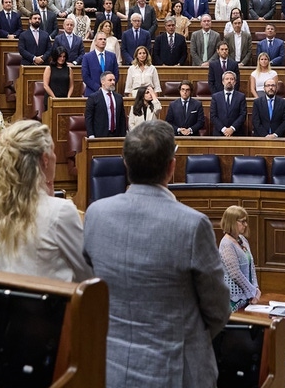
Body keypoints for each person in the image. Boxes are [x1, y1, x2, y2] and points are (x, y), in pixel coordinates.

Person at [83, 121, 228, 388]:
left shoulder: (95, 214)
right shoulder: (193, 224)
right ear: (172, 167)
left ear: (126, 164)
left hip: (111, 368)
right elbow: (219, 309)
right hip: (177, 372)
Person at [0, 120, 92, 281]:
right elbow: (87, 274)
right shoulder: (61, 210)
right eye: (54, 151)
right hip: (55, 303)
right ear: (45, 159)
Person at [219, 205, 260, 313]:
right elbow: (235, 274)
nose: (245, 225)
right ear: (232, 222)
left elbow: (252, 266)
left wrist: (255, 288)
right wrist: (252, 291)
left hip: (247, 296)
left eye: (246, 221)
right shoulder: (226, 244)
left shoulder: (242, 239)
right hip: (233, 300)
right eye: (242, 221)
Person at [84, 72, 126, 139]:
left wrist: (123, 135)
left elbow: (122, 118)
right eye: (110, 80)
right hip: (99, 135)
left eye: (114, 80)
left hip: (117, 135)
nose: (113, 82)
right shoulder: (93, 97)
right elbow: (89, 117)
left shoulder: (118, 97)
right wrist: (91, 134)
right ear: (102, 82)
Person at [210, 71, 247, 137]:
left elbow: (242, 115)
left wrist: (232, 129)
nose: (229, 81)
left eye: (231, 79)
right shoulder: (215, 97)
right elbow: (213, 116)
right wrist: (224, 129)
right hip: (219, 133)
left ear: (235, 82)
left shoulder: (241, 96)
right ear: (223, 82)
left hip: (236, 133)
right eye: (227, 79)